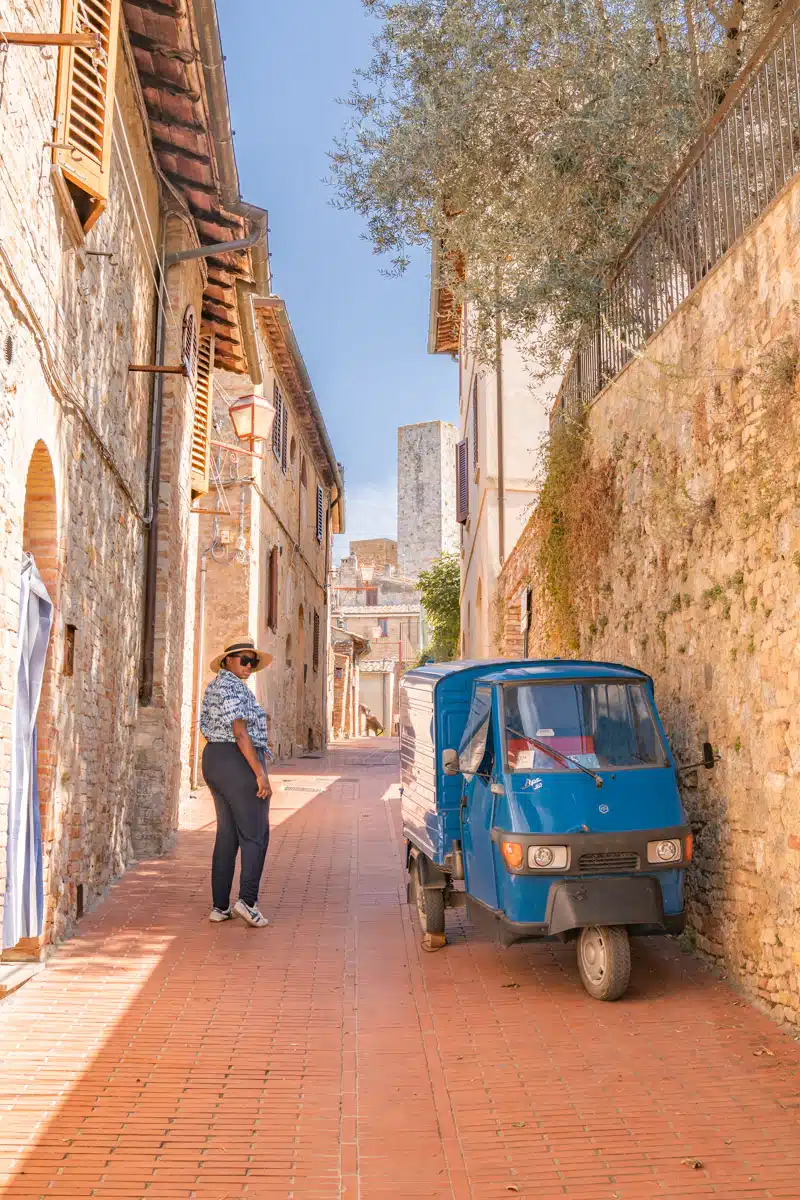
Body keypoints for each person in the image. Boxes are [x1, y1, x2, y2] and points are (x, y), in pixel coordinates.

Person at [200, 633, 274, 928]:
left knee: (228, 835)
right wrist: (259, 773)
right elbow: (240, 732)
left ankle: (220, 906)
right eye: (244, 659)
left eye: (253, 661)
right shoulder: (231, 687)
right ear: (228, 660)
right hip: (236, 760)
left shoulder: (218, 686)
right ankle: (248, 901)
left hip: (216, 760)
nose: (249, 665)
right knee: (256, 833)